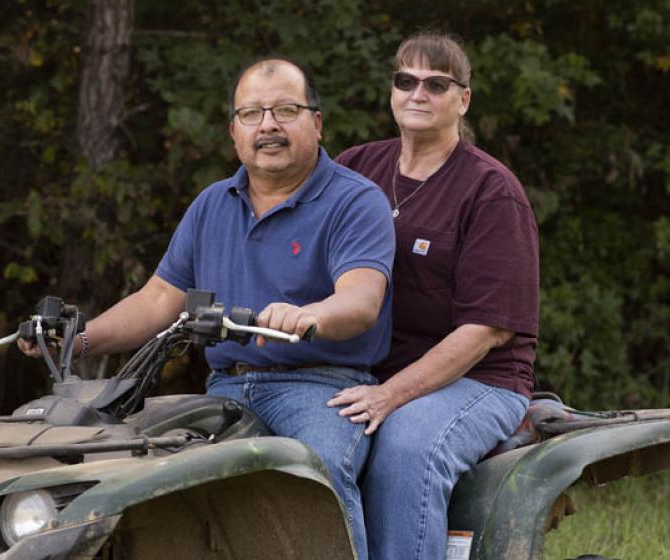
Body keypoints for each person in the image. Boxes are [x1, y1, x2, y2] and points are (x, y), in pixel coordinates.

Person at [20, 58, 394, 560]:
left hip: (321, 387)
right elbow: (157, 301)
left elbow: (362, 299)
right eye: (252, 114)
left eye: (285, 110)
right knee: (142, 468)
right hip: (224, 390)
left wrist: (313, 315)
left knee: (316, 472)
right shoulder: (212, 205)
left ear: (317, 122)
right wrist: (77, 339)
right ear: (233, 131)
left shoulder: (355, 201)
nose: (269, 126)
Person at [331, 32, 539, 560]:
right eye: (406, 81)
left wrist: (390, 395)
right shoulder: (356, 169)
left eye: (436, 83)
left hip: (479, 378)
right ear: (392, 91)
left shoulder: (491, 190)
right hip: (367, 368)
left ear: (462, 99)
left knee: (405, 447)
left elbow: (486, 330)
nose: (417, 93)